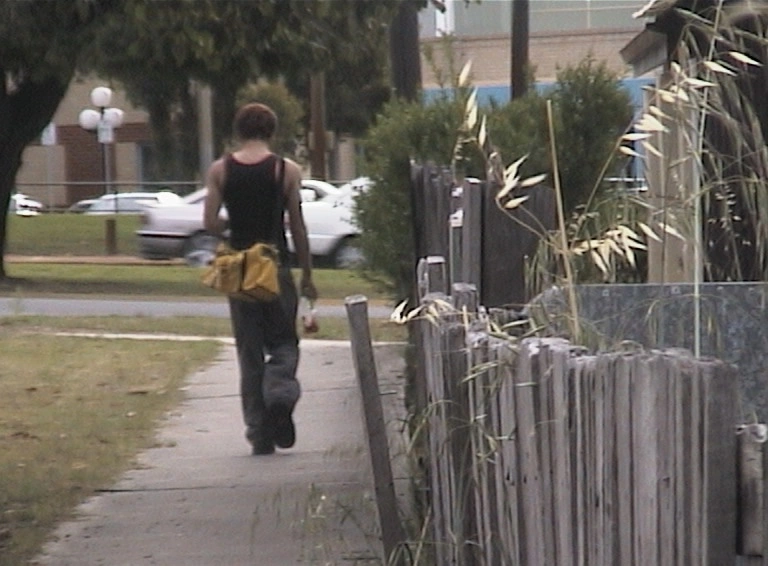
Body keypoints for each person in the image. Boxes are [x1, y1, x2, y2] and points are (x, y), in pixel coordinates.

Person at [203, 102, 318, 455]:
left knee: (249, 352)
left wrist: (232, 227)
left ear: (239, 131)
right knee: (284, 343)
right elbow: (296, 225)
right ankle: (280, 394)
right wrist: (307, 274)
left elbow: (209, 222)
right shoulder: (286, 170)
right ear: (271, 131)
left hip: (239, 270)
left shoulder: (220, 170)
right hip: (275, 266)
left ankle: (259, 432)